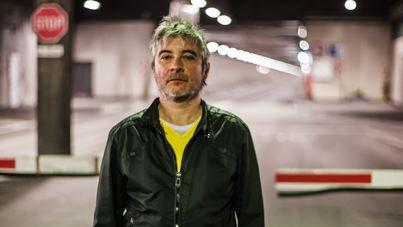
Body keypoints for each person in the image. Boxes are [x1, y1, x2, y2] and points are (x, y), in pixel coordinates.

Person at [93, 16, 265, 227]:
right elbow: (106, 218)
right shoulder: (126, 135)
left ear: (206, 70)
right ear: (153, 69)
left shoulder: (233, 133)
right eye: (166, 57)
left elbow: (251, 217)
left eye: (188, 57)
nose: (176, 66)